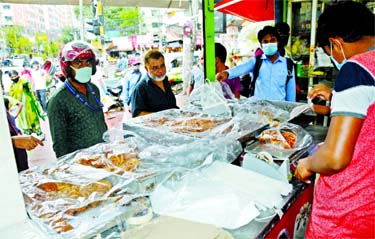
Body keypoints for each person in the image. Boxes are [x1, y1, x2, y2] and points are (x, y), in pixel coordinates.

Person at [294, 2, 375, 238]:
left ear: (336, 42)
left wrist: (307, 164)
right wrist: (337, 100)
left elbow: (334, 158)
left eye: (329, 52)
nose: (333, 59)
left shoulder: (356, 69)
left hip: (349, 212)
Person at [47, 40, 108, 158]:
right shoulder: (57, 100)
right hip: (81, 163)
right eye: (78, 63)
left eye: (88, 62)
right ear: (67, 67)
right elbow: (59, 144)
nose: (85, 67)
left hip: (103, 156)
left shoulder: (94, 89)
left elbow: (101, 122)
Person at [216, 26, 296, 102]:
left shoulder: (288, 64)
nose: (269, 44)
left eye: (272, 40)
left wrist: (291, 112)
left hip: (280, 112)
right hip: (259, 111)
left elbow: (291, 93)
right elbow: (241, 68)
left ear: (277, 42)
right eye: (265, 42)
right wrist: (227, 73)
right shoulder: (257, 61)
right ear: (261, 45)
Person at [130, 49, 178, 117]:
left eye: (162, 66)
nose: (160, 70)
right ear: (146, 68)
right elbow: (138, 115)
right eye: (155, 68)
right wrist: (162, 117)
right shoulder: (140, 89)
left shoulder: (166, 82)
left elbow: (172, 107)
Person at [9, 70, 44, 135]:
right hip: (20, 105)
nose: (14, 78)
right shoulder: (11, 86)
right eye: (12, 77)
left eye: (15, 76)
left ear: (18, 75)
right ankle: (27, 130)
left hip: (28, 102)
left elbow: (29, 87)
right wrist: (11, 105)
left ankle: (37, 130)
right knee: (23, 117)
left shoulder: (23, 81)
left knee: (32, 116)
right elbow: (12, 96)